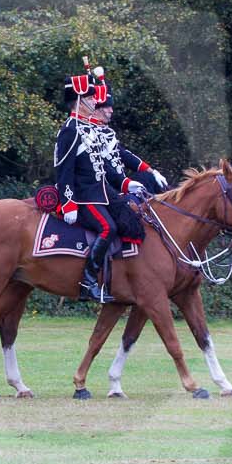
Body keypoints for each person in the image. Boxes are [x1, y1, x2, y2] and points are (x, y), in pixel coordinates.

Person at [51, 62, 166, 302]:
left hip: (102, 193)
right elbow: (64, 170)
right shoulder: (70, 129)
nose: (96, 102)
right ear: (80, 100)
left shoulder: (90, 130)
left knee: (130, 219)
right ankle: (87, 281)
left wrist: (127, 184)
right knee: (108, 228)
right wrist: (68, 202)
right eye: (92, 98)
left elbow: (106, 170)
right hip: (82, 196)